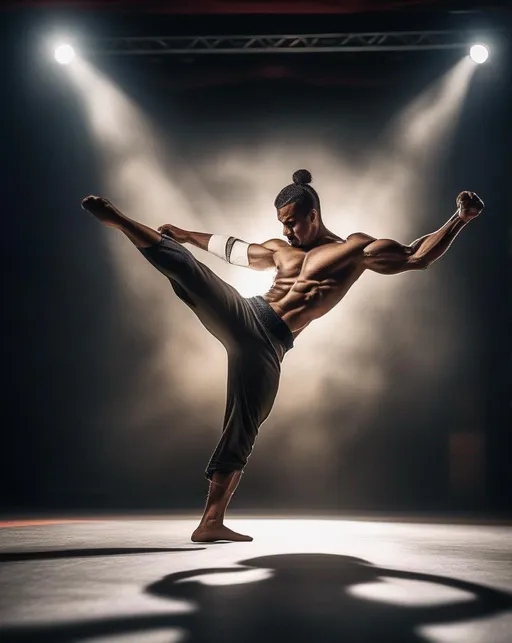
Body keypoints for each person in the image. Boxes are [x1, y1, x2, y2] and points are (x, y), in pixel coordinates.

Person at [81, 169, 484, 542]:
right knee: (191, 271)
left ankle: (210, 523)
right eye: (282, 223)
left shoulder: (355, 249)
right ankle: (121, 220)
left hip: (271, 346)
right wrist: (187, 234)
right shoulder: (279, 250)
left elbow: (417, 256)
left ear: (313, 214)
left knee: (244, 425)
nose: (286, 231)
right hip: (249, 314)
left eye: (292, 221)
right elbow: (236, 250)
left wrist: (459, 220)